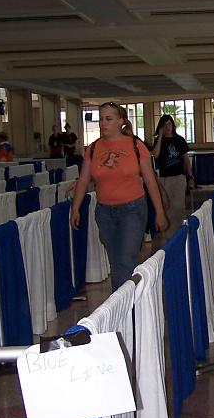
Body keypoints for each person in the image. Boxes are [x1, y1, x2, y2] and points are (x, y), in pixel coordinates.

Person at [70, 102, 168, 291]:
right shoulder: (92, 149)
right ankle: (127, 302)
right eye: (101, 119)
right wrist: (75, 208)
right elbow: (83, 181)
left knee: (125, 260)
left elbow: (150, 181)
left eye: (109, 119)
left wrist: (159, 212)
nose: (103, 124)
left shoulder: (135, 145)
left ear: (121, 122)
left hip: (133, 210)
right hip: (105, 213)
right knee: (116, 261)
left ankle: (122, 309)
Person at [150, 114, 195, 235]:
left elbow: (186, 159)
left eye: (169, 124)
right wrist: (159, 136)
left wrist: (190, 177)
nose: (167, 127)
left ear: (173, 125)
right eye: (164, 125)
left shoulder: (179, 140)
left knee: (178, 206)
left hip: (179, 177)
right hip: (165, 178)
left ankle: (178, 231)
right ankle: (169, 233)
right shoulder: (160, 141)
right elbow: (156, 154)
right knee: (167, 207)